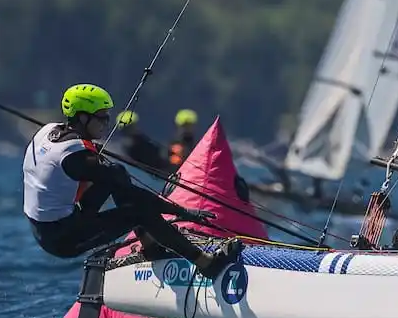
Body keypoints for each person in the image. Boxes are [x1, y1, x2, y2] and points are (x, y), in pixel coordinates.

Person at [22, 84, 241, 279]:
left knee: (116, 172)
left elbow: (63, 163)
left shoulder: (48, 130)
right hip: (62, 239)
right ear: (82, 118)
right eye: (102, 117)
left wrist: (90, 151)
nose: (107, 123)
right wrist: (183, 212)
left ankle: (151, 247)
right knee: (138, 209)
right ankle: (206, 264)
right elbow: (135, 195)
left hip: (45, 225)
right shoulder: (75, 157)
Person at [117, 110, 172, 175]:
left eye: (134, 125)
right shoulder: (130, 145)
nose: (135, 128)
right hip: (148, 176)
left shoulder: (140, 139)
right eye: (131, 126)